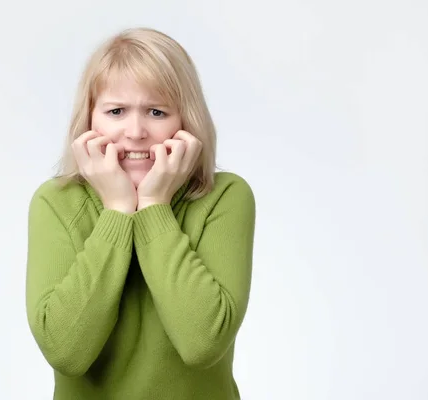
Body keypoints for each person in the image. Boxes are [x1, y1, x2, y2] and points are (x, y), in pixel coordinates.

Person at [25, 27, 256, 400]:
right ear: (89, 121)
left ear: (186, 120)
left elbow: (202, 344)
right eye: (116, 111)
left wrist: (154, 207)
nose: (135, 132)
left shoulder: (224, 197)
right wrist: (116, 211)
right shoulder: (56, 202)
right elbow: (65, 352)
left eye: (156, 111)